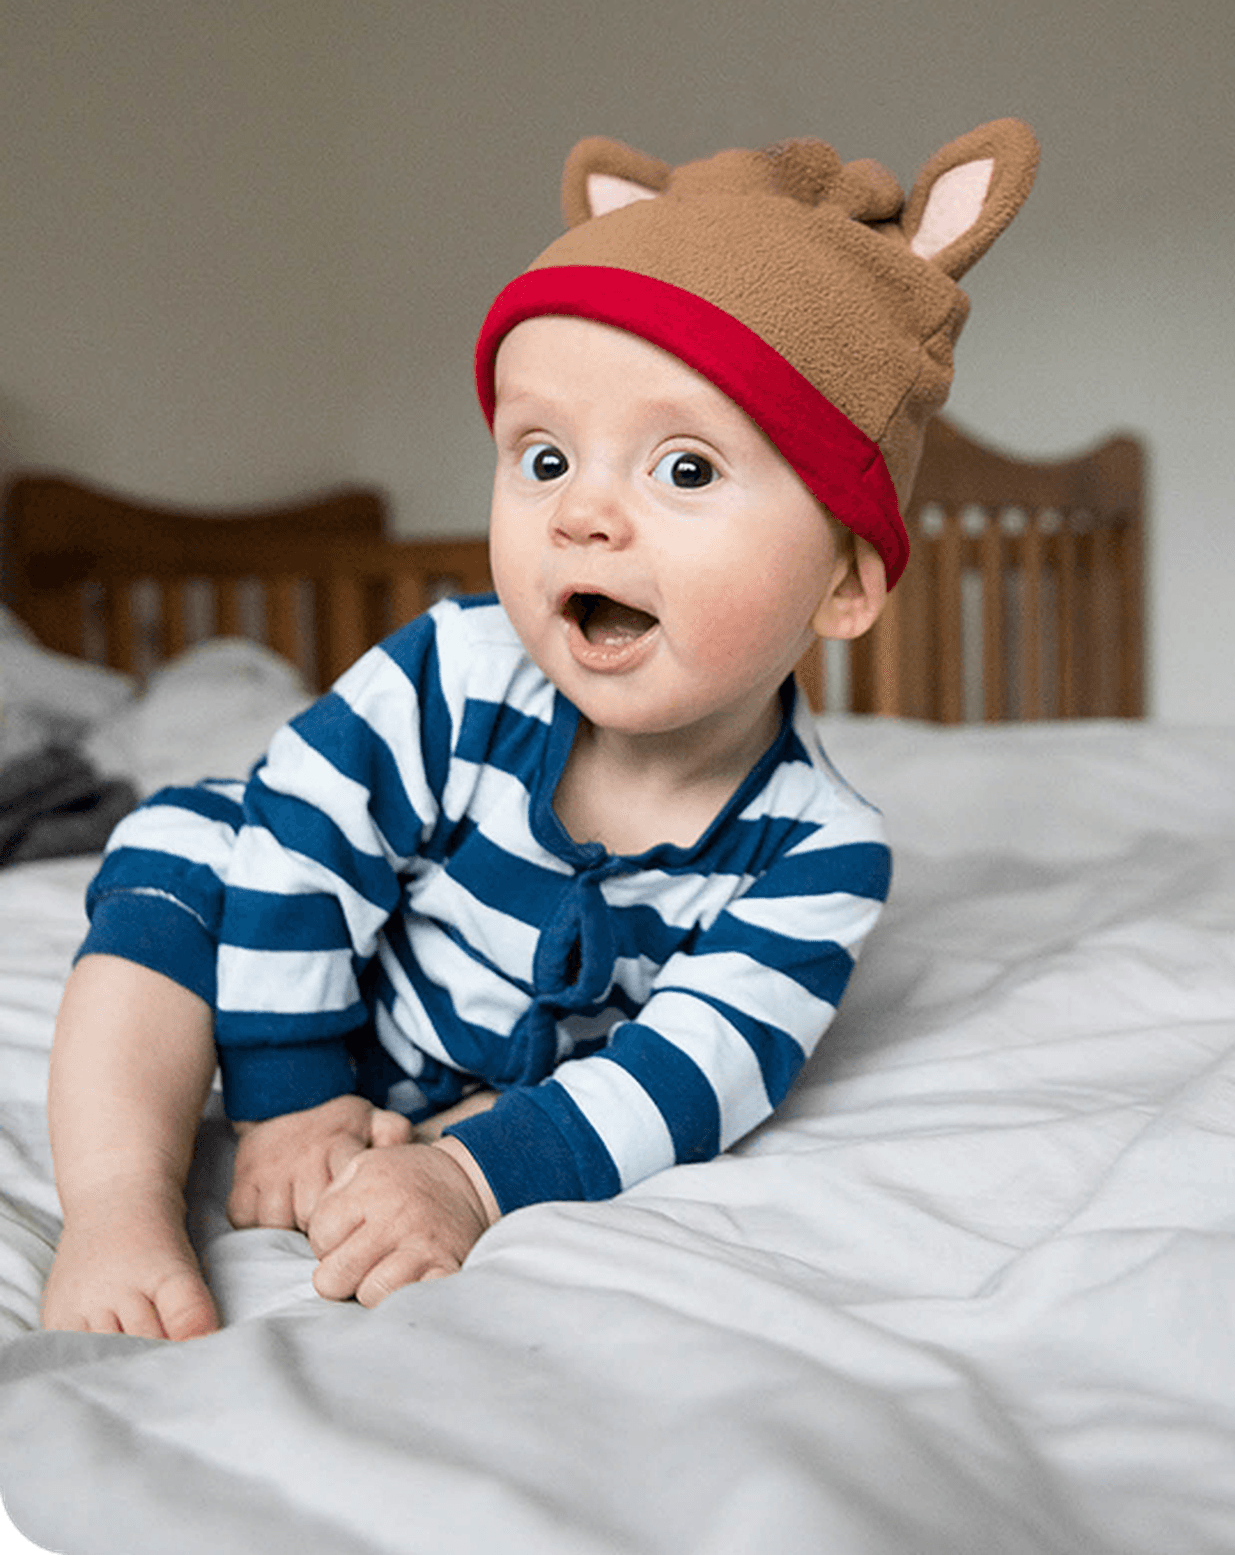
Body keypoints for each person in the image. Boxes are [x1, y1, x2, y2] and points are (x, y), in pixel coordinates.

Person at [41, 119, 1039, 1339]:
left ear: (844, 582)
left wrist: (470, 1177)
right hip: (298, 969)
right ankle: (117, 1207)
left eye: (684, 469)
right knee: (184, 843)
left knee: (606, 1090)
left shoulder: (818, 853)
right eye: (545, 456)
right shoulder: (455, 672)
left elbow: (694, 1071)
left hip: (481, 1087)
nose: (581, 516)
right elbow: (302, 844)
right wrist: (288, 1097)